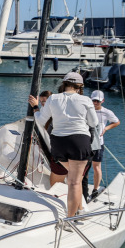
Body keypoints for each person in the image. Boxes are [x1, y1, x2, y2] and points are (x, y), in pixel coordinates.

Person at [30, 72, 98, 221]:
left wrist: (35, 107)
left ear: (64, 83)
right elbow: (94, 123)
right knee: (74, 182)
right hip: (79, 141)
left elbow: (40, 121)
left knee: (73, 177)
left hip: (58, 142)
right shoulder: (85, 100)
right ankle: (70, 219)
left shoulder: (53, 98)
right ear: (80, 86)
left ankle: (80, 209)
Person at [88, 90, 120, 201]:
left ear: (102, 101)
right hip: (85, 142)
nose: (95, 103)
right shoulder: (87, 110)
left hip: (98, 143)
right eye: (93, 100)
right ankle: (81, 187)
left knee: (96, 167)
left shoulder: (107, 112)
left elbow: (116, 122)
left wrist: (106, 128)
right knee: (83, 166)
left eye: (97, 101)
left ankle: (95, 189)